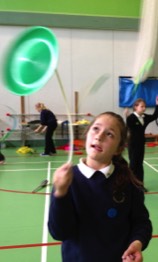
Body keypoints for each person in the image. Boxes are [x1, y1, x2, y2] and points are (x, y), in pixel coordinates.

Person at [48, 112, 152, 262]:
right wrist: (60, 193)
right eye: (96, 129)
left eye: (109, 134)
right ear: (87, 134)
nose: (99, 136)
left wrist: (137, 242)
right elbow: (59, 232)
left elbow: (141, 222)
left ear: (118, 148)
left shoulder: (128, 182)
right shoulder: (67, 180)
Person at [125, 97, 158, 191]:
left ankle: (140, 185)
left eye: (145, 107)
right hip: (133, 145)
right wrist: (126, 116)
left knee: (139, 165)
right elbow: (128, 126)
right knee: (133, 165)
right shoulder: (131, 118)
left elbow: (155, 116)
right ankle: (130, 185)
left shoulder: (145, 117)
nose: (144, 108)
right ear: (136, 107)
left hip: (141, 144)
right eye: (142, 106)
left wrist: (157, 104)